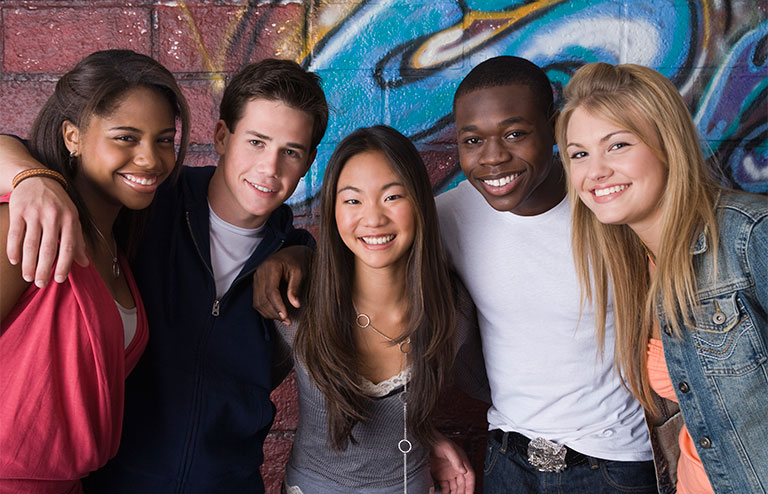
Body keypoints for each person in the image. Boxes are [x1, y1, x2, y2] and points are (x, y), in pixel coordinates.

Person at [253, 56, 658, 493]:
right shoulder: (450, 215)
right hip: (509, 460)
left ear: (554, 127)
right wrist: (294, 254)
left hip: (614, 465)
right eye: (472, 140)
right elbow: (366, 243)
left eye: (516, 133)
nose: (494, 158)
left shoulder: (607, 208)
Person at [0, 58, 327, 493]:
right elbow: (20, 147)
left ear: (309, 161)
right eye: (256, 141)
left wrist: (304, 256)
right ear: (222, 137)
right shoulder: (150, 204)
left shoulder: (297, 260)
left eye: (290, 151)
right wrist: (32, 179)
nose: (269, 168)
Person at [557, 62, 768, 494]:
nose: (594, 172)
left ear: (666, 146)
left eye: (616, 145)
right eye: (579, 154)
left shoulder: (749, 237)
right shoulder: (635, 265)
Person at [0, 49, 190, 493]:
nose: (151, 159)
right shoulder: (25, 225)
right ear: (73, 136)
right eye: (126, 138)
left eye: (164, 139)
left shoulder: (115, 248)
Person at [275, 125, 483, 493]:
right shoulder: (294, 302)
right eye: (352, 200)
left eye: (392, 197)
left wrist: (426, 434)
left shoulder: (454, 309)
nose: (372, 219)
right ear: (333, 210)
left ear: (419, 201)